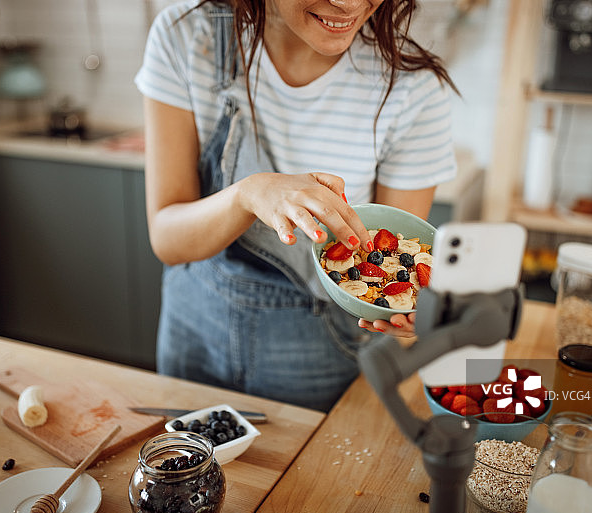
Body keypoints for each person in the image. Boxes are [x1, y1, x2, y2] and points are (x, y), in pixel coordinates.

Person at [135, 0, 458, 412]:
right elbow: (168, 239)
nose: (348, 3)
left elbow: (398, 257)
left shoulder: (413, 89)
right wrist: (247, 194)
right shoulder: (186, 36)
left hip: (320, 352)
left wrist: (410, 316)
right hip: (194, 330)